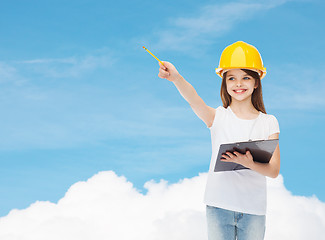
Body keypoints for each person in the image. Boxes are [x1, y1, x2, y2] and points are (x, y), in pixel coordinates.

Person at [157, 41, 280, 240]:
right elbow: (193, 99)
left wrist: (249, 163)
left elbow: (274, 170)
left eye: (246, 77)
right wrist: (176, 78)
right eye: (231, 78)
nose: (238, 84)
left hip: (254, 209)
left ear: (256, 82)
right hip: (219, 205)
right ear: (224, 82)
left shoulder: (268, 122)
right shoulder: (217, 117)